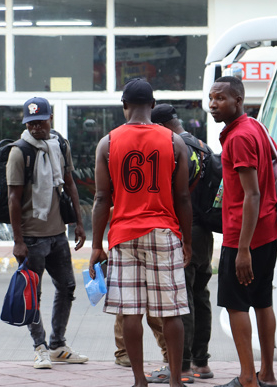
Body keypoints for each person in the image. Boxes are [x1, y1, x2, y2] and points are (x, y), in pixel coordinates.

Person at [89, 78, 192, 387]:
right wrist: (185, 239)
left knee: (130, 311)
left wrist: (96, 244)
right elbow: (183, 197)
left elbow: (100, 198)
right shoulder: (174, 142)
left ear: (124, 107)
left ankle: (139, 381)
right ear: (152, 105)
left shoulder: (107, 143)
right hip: (163, 231)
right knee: (171, 312)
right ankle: (175, 380)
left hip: (123, 234)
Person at [7, 96, 88, 369]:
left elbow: (70, 183)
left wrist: (78, 221)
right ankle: (39, 346)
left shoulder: (59, 145)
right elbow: (13, 199)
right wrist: (18, 240)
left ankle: (58, 345)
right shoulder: (20, 152)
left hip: (57, 234)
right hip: (31, 237)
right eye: (30, 124)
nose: (35, 128)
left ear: (49, 118)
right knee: (33, 294)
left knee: (67, 286)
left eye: (40, 122)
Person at [209, 76, 277, 387]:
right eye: (211, 98)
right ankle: (268, 374)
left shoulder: (239, 137)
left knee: (236, 304)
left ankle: (248, 377)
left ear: (238, 100)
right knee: (263, 301)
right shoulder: (256, 128)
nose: (213, 104)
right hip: (267, 229)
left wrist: (243, 249)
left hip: (244, 236)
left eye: (220, 98)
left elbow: (251, 194)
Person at [152, 103, 215, 381]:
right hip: (206, 231)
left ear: (162, 125)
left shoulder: (176, 148)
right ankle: (202, 363)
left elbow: (177, 195)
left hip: (184, 231)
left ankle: (184, 367)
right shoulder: (202, 145)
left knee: (182, 299)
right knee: (200, 295)